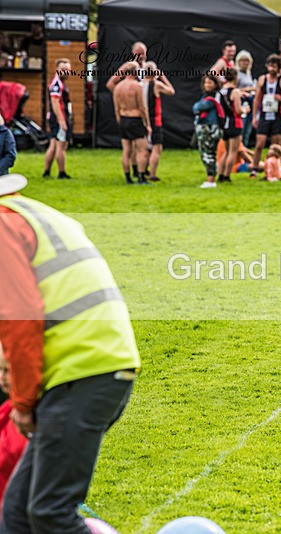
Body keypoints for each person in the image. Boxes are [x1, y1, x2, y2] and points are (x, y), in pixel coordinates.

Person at [0, 172, 140, 533]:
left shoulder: (3, 224)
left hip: (84, 370)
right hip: (96, 365)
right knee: (17, 513)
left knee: (50, 512)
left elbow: (21, 317)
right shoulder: (29, 212)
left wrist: (23, 400)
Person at [251, 54, 281, 179]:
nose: (272, 69)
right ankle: (255, 168)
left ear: (278, 68)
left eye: (274, 67)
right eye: (270, 66)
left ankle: (275, 168)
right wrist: (254, 116)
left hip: (277, 115)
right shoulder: (262, 80)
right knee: (259, 144)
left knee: (275, 146)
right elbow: (256, 99)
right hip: (264, 115)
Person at [0, 341, 28, 515]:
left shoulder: (27, 419)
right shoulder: (6, 411)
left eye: (7, 371)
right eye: (0, 370)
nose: (2, 376)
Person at [113, 62, 151, 186]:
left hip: (123, 119)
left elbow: (116, 109)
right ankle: (141, 177)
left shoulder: (118, 87)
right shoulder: (137, 86)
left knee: (126, 150)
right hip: (135, 119)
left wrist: (120, 122)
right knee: (142, 150)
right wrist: (147, 124)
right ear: (135, 72)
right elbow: (142, 107)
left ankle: (128, 177)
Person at [143, 61, 174, 183]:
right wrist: (162, 76)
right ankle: (152, 174)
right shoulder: (155, 84)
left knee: (143, 148)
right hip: (154, 119)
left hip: (141, 119)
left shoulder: (139, 84)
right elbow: (171, 91)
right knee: (157, 147)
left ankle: (140, 170)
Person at [43, 58, 72, 180]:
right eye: (63, 70)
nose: (66, 72)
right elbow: (55, 102)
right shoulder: (57, 84)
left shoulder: (59, 82)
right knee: (61, 145)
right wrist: (62, 121)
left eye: (67, 70)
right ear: (57, 70)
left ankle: (47, 172)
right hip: (59, 118)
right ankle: (62, 172)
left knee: (53, 144)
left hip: (56, 117)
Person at [193, 75, 225, 188]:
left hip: (211, 127)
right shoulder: (205, 96)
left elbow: (199, 107)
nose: (207, 85)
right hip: (205, 127)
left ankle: (211, 180)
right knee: (206, 153)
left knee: (209, 153)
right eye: (206, 83)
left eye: (210, 83)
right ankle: (210, 177)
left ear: (215, 84)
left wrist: (197, 107)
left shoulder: (215, 96)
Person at [218, 68, 244, 184]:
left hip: (224, 123)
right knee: (233, 151)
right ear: (235, 77)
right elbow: (238, 110)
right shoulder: (235, 92)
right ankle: (227, 176)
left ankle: (221, 174)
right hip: (234, 122)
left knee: (226, 151)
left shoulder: (221, 91)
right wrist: (245, 109)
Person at [236, 50, 257, 148]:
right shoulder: (237, 73)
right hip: (241, 102)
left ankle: (244, 148)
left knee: (248, 129)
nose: (245, 63)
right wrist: (249, 89)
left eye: (247, 61)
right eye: (243, 61)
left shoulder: (248, 73)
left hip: (250, 102)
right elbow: (234, 88)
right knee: (242, 128)